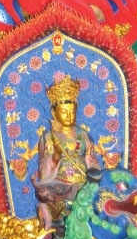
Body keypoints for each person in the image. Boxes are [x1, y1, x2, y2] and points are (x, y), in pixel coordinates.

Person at [32, 75, 101, 230]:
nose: (69, 116)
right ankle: (57, 219)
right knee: (44, 191)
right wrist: (55, 156)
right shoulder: (48, 137)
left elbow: (92, 162)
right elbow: (43, 172)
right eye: (64, 111)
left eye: (72, 111)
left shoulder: (83, 135)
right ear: (54, 112)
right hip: (59, 186)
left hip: (82, 183)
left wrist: (93, 173)